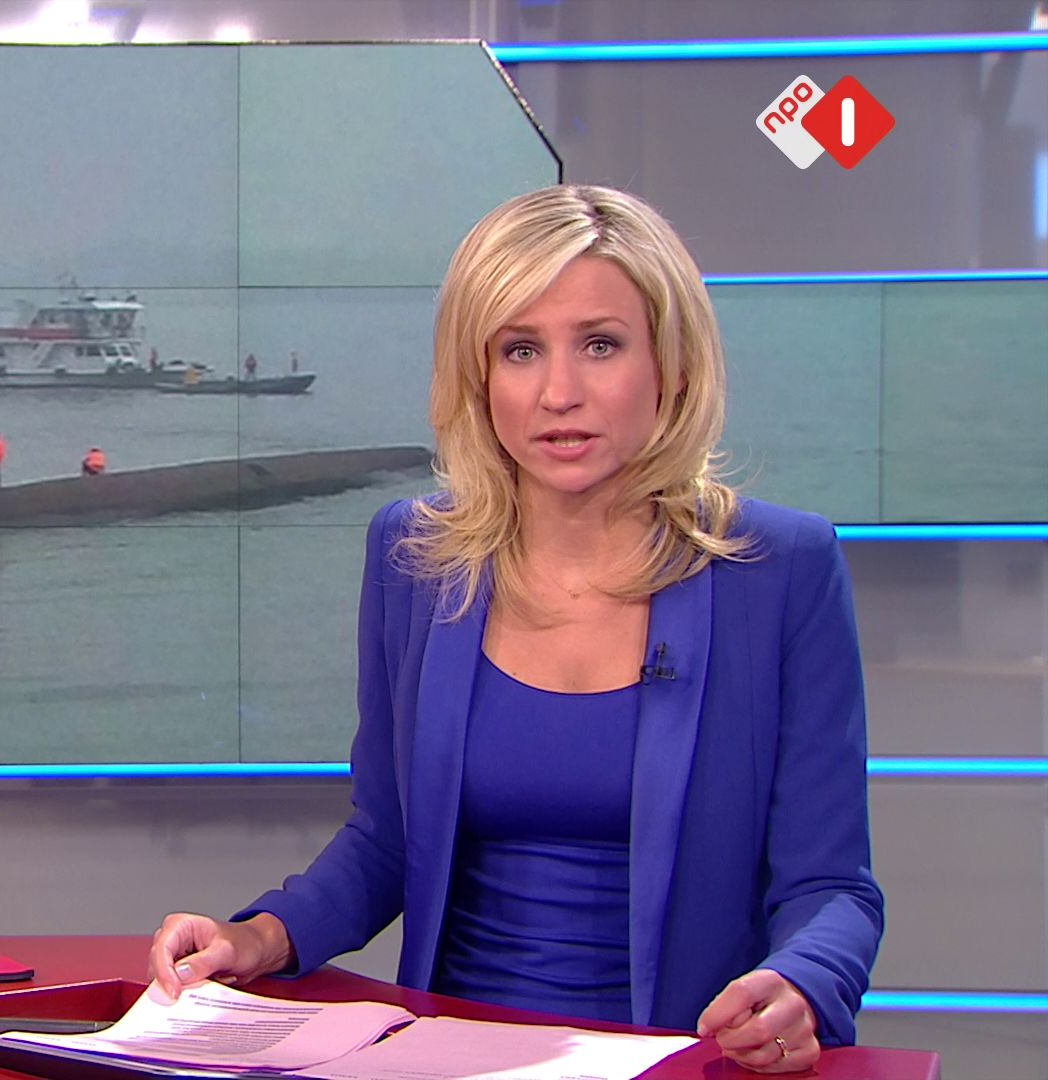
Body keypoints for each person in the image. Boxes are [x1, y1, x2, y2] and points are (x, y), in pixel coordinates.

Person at [146, 185, 881, 1076]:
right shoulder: (415, 557)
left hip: (675, 1059)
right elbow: (388, 839)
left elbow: (831, 886)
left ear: (673, 364)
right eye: (521, 350)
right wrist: (260, 937)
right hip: (449, 1054)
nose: (559, 393)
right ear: (479, 376)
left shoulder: (780, 569)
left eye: (600, 345)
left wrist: (803, 982)